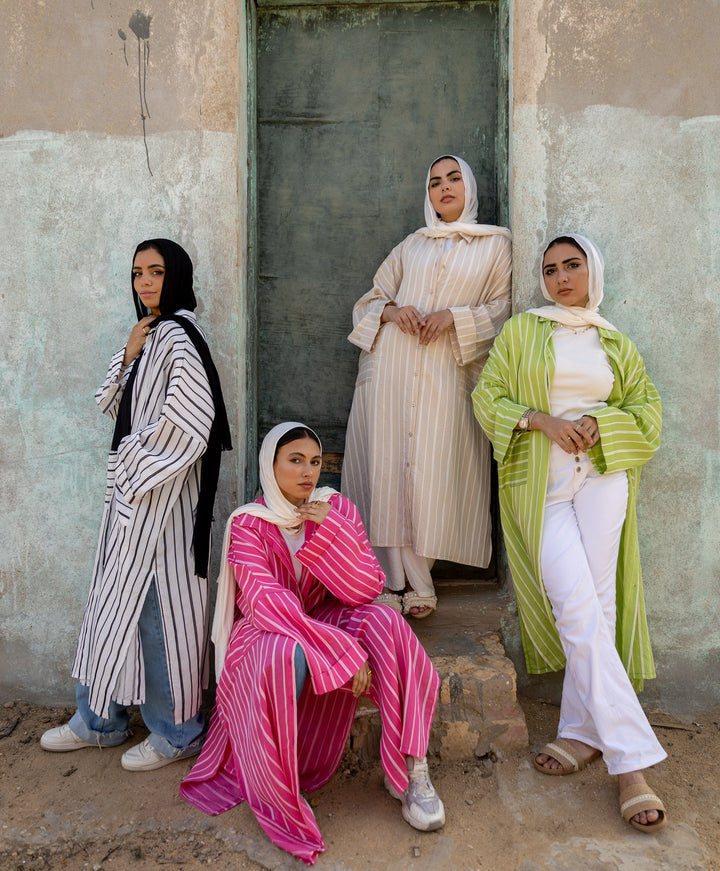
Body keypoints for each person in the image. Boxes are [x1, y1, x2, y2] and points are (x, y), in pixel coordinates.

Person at [180, 422, 444, 866]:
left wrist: (335, 533)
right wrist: (336, 649)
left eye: (315, 462)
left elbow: (367, 588)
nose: (308, 472)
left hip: (322, 618)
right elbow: (265, 601)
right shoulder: (248, 523)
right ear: (271, 464)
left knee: (387, 622)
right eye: (295, 460)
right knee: (284, 654)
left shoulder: (334, 508)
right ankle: (279, 783)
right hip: (265, 632)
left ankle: (411, 768)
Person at [472, 234, 667, 832]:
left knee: (598, 607)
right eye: (550, 269)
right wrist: (544, 421)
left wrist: (596, 421)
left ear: (591, 272)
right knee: (575, 605)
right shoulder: (524, 331)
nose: (561, 278)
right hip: (543, 486)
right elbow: (488, 397)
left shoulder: (615, 341)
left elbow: (647, 414)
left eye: (572, 266)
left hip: (604, 479)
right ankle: (631, 764)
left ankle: (582, 733)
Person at [41, 238, 232, 771]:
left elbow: (194, 425)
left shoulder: (178, 336)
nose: (145, 282)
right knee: (111, 607)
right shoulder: (150, 337)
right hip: (134, 504)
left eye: (156, 271)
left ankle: (177, 732)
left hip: (164, 508)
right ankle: (99, 721)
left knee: (159, 614)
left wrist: (128, 468)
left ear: (177, 276)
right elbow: (111, 403)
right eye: (137, 273)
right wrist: (127, 354)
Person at [342, 155, 512, 618]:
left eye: (453, 178)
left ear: (469, 187)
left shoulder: (497, 246)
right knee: (389, 466)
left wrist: (452, 317)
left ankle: (420, 577)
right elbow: (371, 300)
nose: (444, 188)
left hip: (445, 369)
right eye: (435, 182)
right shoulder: (410, 246)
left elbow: (502, 308)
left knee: (434, 471)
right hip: (392, 369)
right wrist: (397, 312)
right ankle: (388, 581)